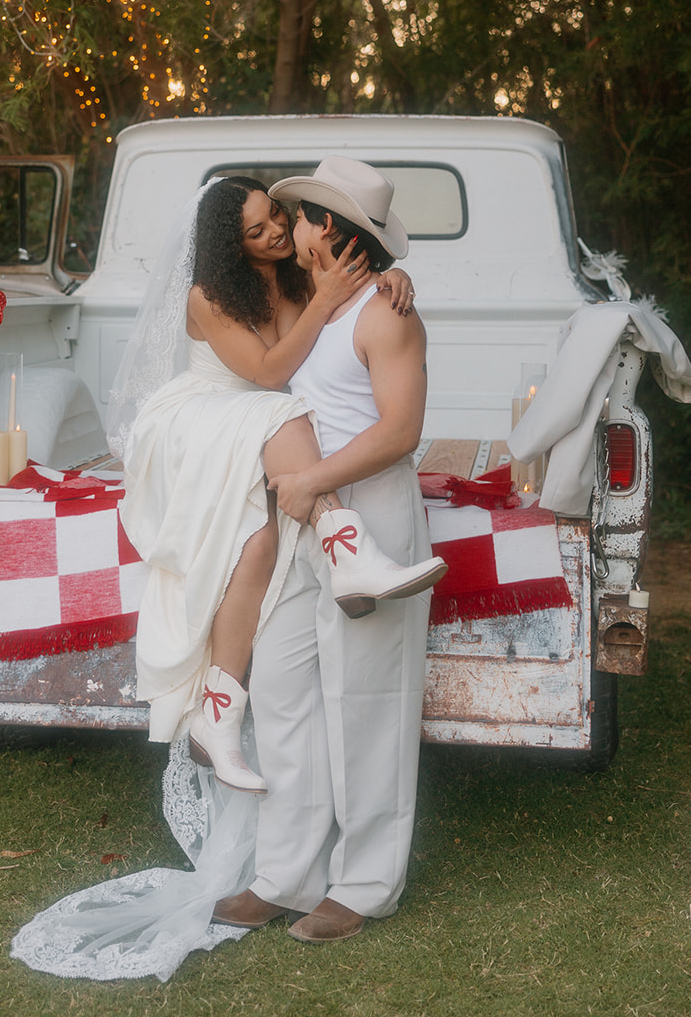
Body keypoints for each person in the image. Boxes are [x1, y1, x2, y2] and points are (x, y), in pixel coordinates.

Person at [117, 176, 446, 796]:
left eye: (275, 216)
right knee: (284, 411)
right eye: (255, 229)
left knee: (259, 549)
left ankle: (217, 716)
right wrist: (323, 302)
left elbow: (340, 315)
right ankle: (346, 544)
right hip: (208, 416)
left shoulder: (294, 277)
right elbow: (270, 374)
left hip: (263, 430)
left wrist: (387, 279)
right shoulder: (208, 296)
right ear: (229, 242)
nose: (272, 231)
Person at [212, 156, 434, 945]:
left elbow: (400, 431)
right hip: (308, 521)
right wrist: (300, 494)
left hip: (365, 513)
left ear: (326, 231)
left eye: (297, 215)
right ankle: (286, 873)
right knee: (282, 690)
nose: (285, 228)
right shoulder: (317, 303)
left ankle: (366, 883)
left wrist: (311, 484)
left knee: (366, 702)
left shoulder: (386, 313)